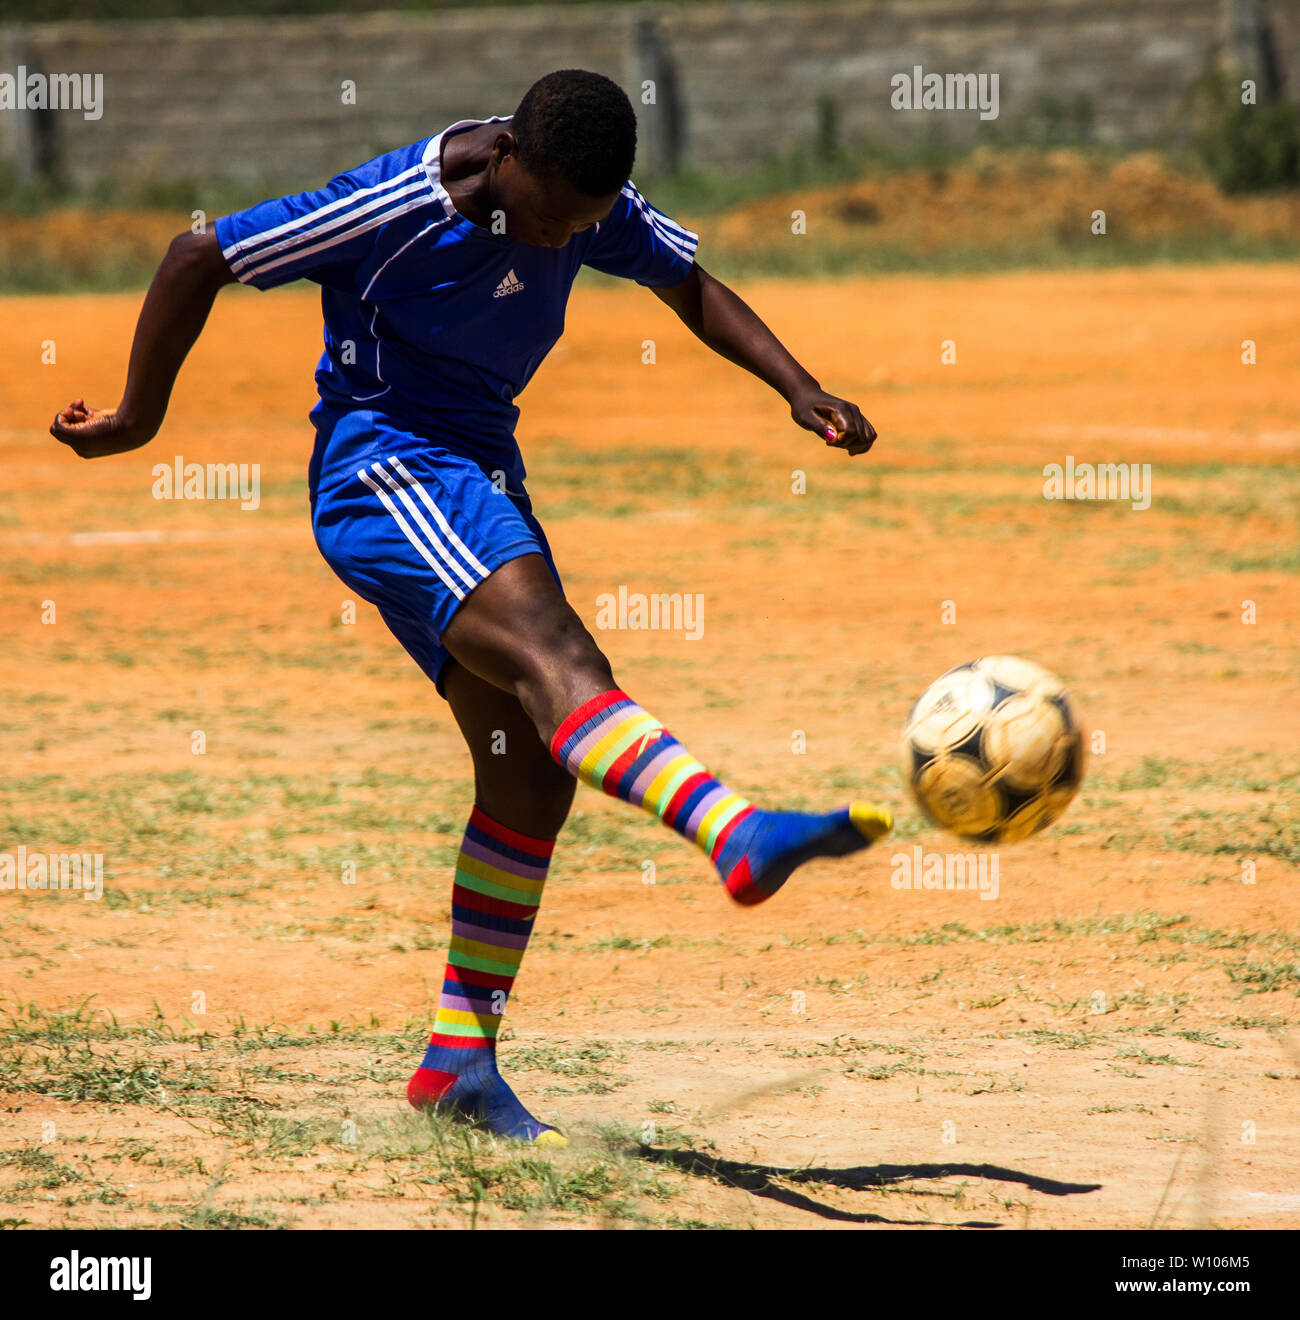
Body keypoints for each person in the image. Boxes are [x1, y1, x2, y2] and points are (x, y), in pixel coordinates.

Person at [51, 69, 892, 1146]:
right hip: (384, 466)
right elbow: (197, 254)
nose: (561, 243)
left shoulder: (586, 202)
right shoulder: (395, 205)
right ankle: (734, 831)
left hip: (478, 473)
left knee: (532, 775)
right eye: (549, 219)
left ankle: (458, 1063)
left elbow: (687, 283)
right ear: (505, 160)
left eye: (582, 226)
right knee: (556, 655)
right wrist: (136, 421)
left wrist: (796, 383)